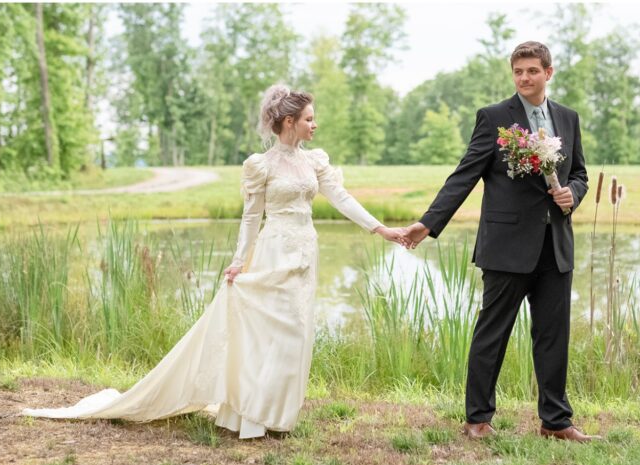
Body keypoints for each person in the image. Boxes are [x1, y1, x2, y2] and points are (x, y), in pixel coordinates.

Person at [21, 85, 409, 439]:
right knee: (270, 334)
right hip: (273, 252)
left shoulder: (315, 162)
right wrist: (239, 262)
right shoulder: (262, 165)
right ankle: (249, 416)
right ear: (289, 121)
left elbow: (341, 199)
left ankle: (275, 415)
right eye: (309, 118)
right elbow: (251, 218)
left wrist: (382, 229)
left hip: (306, 253)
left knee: (297, 335)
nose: (314, 124)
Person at [402, 41, 598, 442]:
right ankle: (477, 419)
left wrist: (572, 195)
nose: (524, 78)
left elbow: (579, 173)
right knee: (492, 333)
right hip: (506, 246)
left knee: (553, 336)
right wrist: (427, 223)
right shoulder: (494, 118)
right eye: (518, 71)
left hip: (555, 246)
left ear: (549, 72)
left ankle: (556, 422)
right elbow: (465, 175)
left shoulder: (568, 118)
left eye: (531, 71)